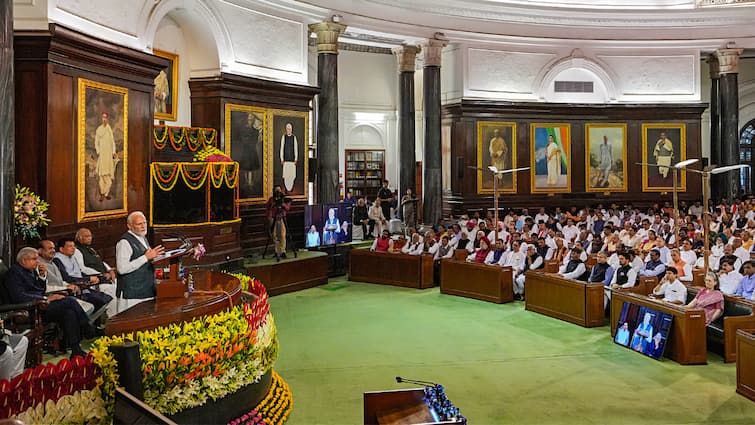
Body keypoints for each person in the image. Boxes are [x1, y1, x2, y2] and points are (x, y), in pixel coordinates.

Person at [6, 247, 90, 358]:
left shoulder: (30, 271)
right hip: (29, 310)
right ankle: (87, 326)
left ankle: (76, 350)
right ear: (23, 260)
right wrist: (47, 299)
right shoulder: (14, 273)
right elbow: (19, 297)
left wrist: (42, 276)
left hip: (40, 305)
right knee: (70, 301)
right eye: (34, 259)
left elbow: (40, 289)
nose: (38, 261)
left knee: (69, 312)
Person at [115, 211, 165, 311]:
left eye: (144, 223)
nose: (143, 226)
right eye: (139, 224)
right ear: (129, 226)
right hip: (132, 295)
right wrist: (146, 257)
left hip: (146, 290)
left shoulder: (142, 237)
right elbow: (122, 269)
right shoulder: (124, 242)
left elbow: (147, 258)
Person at [94, 111, 118, 201]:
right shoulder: (98, 129)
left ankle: (104, 193)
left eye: (105, 118)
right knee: (101, 177)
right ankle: (103, 194)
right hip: (102, 155)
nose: (104, 119)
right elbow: (96, 142)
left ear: (107, 119)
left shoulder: (109, 129)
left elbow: (112, 142)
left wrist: (113, 152)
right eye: (103, 117)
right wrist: (98, 151)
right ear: (101, 118)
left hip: (108, 156)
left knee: (108, 178)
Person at [265, 185, 292, 260]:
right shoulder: (271, 200)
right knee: (275, 236)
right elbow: (268, 209)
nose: (278, 192)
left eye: (279, 190)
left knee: (282, 235)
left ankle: (283, 251)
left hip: (282, 218)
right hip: (274, 219)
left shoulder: (284, 199)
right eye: (276, 190)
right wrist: (269, 217)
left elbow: (287, 208)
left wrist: (283, 205)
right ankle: (277, 252)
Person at [279, 123, 299, 192]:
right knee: (286, 175)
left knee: (292, 175)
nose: (289, 130)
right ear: (286, 129)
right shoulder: (283, 137)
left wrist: (296, 158)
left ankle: (291, 188)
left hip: (292, 160)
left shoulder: (294, 137)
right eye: (287, 129)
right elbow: (281, 148)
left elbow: (296, 149)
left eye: (290, 129)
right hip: (286, 160)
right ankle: (287, 188)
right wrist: (282, 159)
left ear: (291, 129)